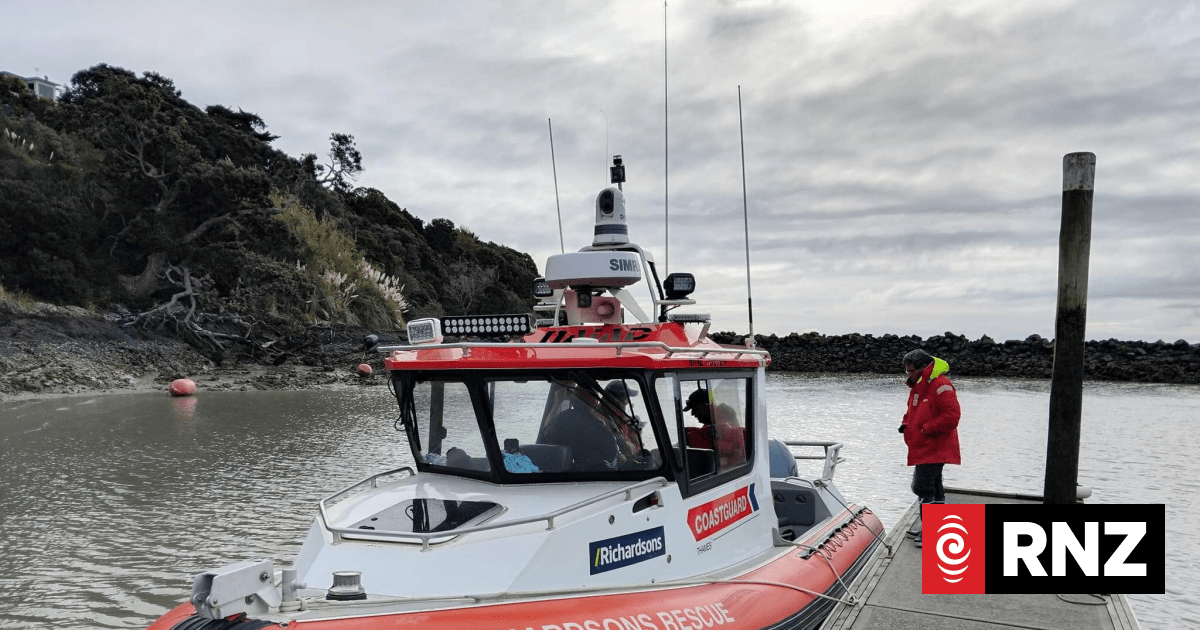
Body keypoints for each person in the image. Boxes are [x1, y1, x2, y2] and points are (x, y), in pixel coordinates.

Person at [898, 349, 961, 548]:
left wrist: (926, 428)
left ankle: (930, 531)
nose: (909, 374)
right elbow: (912, 411)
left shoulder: (941, 385)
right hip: (925, 445)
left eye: (912, 371)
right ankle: (933, 528)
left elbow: (952, 417)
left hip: (934, 446)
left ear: (924, 367)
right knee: (934, 486)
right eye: (907, 371)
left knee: (922, 487)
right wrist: (906, 424)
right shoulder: (920, 385)